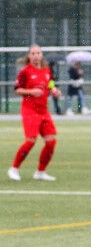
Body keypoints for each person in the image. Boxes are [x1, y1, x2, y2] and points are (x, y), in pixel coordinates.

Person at [8, 45, 61, 181]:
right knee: (31, 141)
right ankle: (14, 169)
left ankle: (40, 172)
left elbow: (49, 83)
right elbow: (17, 89)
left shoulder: (46, 69)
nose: (36, 56)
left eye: (38, 53)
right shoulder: (25, 71)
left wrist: (54, 90)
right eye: (33, 53)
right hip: (30, 110)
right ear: (29, 56)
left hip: (43, 110)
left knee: (51, 142)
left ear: (41, 55)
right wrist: (31, 92)